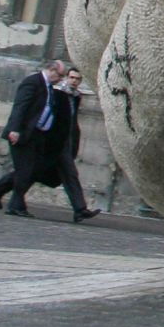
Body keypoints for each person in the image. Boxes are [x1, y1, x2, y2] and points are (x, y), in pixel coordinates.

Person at [0, 59, 68, 216]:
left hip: (37, 135)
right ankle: (16, 206)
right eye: (60, 75)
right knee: (25, 171)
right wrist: (15, 130)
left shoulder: (49, 87)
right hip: (22, 134)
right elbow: (20, 107)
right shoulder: (32, 82)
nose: (61, 79)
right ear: (51, 70)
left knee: (32, 171)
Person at [58, 67, 101, 223]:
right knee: (29, 172)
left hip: (64, 143)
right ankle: (1, 188)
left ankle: (80, 209)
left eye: (77, 79)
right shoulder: (59, 93)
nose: (74, 81)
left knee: (70, 175)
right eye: (72, 77)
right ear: (66, 78)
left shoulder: (76, 96)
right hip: (54, 142)